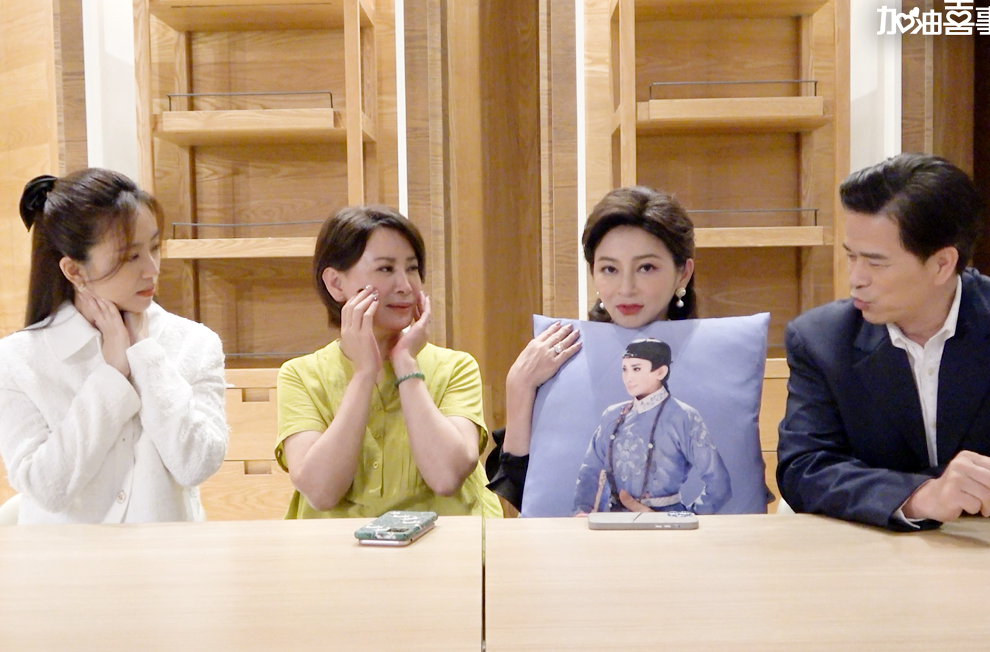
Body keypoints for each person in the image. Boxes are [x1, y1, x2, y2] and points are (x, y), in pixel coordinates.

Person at [777, 153, 990, 531]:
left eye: (876, 262)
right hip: (877, 550)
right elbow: (804, 468)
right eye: (851, 257)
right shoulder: (821, 340)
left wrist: (965, 490)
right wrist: (921, 495)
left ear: (942, 264)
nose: (856, 279)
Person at [0, 169, 228, 524]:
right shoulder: (18, 359)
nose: (152, 269)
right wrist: (110, 377)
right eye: (130, 257)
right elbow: (46, 488)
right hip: (64, 559)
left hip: (167, 557)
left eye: (154, 248)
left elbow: (195, 464)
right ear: (75, 271)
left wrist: (145, 354)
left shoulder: (195, 343)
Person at [276, 205, 502, 518]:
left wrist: (406, 364)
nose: (405, 286)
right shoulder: (300, 375)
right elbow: (321, 492)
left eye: (412, 268)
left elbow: (446, 477)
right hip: (340, 546)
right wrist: (364, 373)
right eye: (386, 269)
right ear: (336, 283)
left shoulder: (456, 367)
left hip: (446, 543)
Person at [487, 186, 696, 512]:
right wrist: (519, 387)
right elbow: (525, 491)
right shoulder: (557, 358)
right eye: (610, 269)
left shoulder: (715, 362)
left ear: (683, 272)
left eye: (646, 268)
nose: (626, 288)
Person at [574, 338, 730, 514]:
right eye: (624, 369)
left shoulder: (684, 417)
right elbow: (590, 471)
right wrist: (583, 512)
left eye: (636, 369)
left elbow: (718, 484)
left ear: (661, 372)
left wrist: (682, 520)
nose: (628, 378)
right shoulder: (612, 415)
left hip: (664, 522)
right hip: (613, 520)